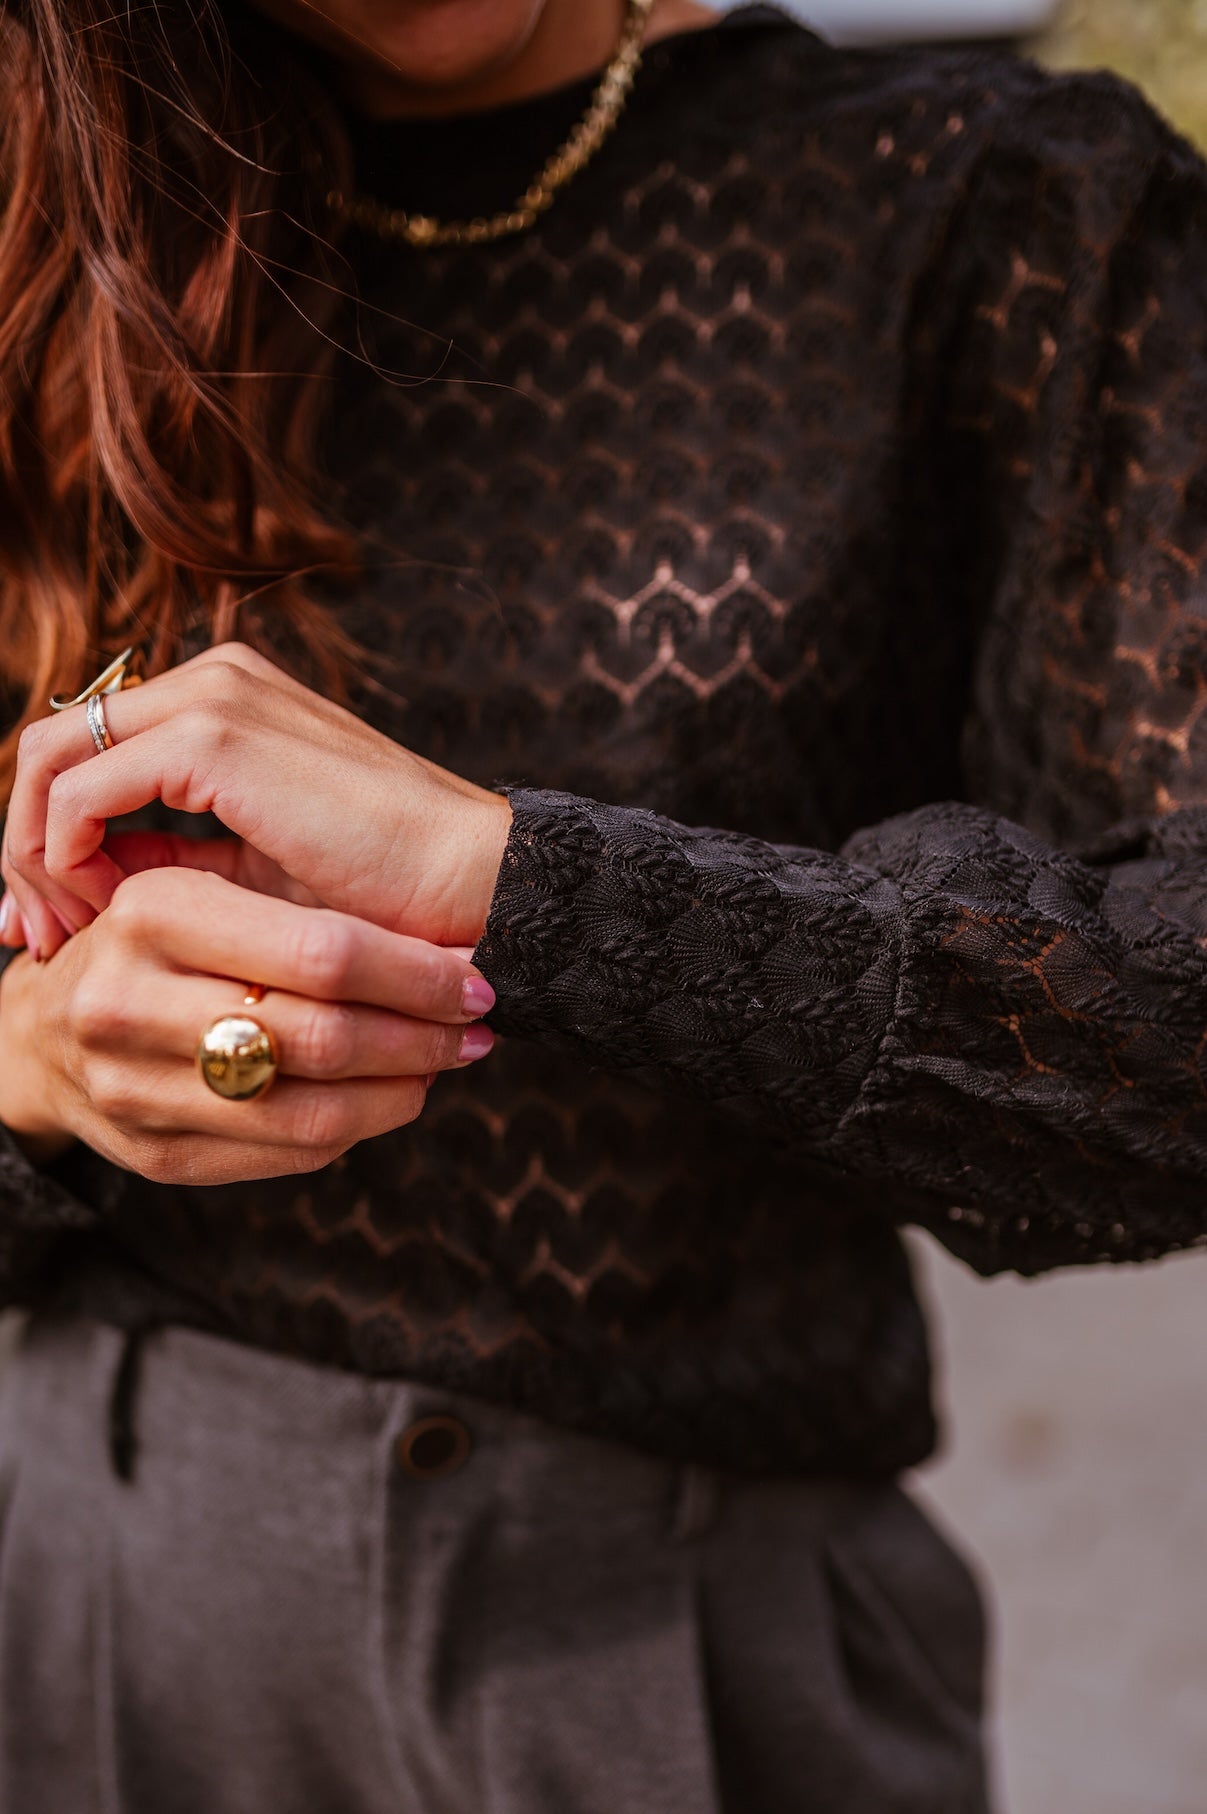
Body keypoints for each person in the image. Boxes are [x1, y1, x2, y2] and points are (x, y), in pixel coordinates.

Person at [0, 0, 1205, 1806]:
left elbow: (1174, 1047)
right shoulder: (56, 216)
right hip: (104, 1603)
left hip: (688, 1651)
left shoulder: (1003, 205)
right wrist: (25, 1066)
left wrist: (520, 881)